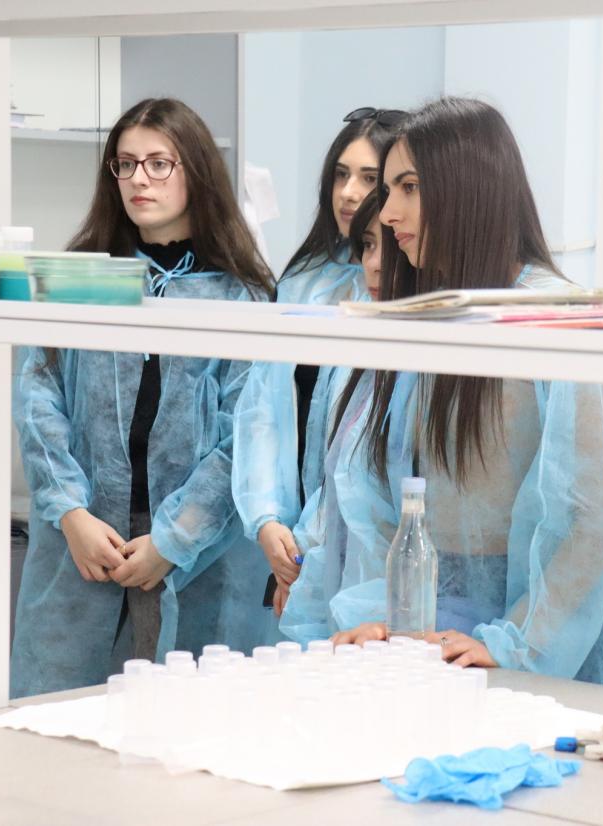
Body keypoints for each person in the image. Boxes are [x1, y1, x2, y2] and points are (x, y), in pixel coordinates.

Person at [280, 97, 603, 694]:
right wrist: (391, 620)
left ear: (470, 188)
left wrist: (516, 642)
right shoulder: (433, 317)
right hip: (432, 645)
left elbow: (596, 519)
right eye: (388, 191)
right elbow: (377, 504)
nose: (388, 213)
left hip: (537, 654)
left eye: (409, 188)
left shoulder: (555, 320)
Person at [11, 98, 276, 697]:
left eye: (159, 164)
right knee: (61, 716)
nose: (139, 179)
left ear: (196, 172)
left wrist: (175, 539)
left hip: (195, 550)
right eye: (125, 164)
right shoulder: (79, 277)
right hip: (85, 539)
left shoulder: (243, 296)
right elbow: (36, 399)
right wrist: (72, 514)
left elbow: (246, 433)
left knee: (184, 719)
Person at [232, 110, 399, 612]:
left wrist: (311, 543)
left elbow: (362, 454)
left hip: (362, 548)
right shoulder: (303, 281)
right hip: (284, 542)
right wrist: (267, 519)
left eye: (368, 178)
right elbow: (261, 411)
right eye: (341, 175)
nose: (348, 192)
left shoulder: (398, 295)